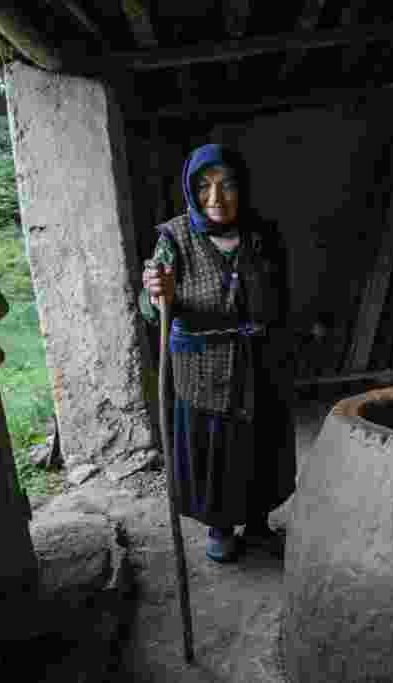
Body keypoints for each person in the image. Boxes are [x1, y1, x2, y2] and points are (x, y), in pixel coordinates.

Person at [139, 144, 295, 562]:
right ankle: (221, 525)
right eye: (204, 187)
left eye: (226, 185)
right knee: (216, 450)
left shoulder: (263, 233)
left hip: (259, 359)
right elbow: (148, 305)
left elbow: (282, 294)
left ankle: (259, 524)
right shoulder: (173, 239)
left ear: (241, 187)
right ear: (191, 190)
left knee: (261, 444)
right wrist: (157, 295)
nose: (216, 198)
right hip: (204, 368)